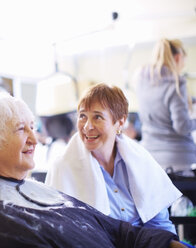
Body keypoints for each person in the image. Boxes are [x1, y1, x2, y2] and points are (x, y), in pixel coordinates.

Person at [0, 92, 185, 248]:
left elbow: (116, 230)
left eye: (33, 127)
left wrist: (169, 244)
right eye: (20, 129)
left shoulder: (35, 189)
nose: (34, 140)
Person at [46, 83, 182, 234]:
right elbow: (62, 234)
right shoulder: (63, 167)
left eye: (97, 117)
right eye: (82, 116)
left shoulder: (141, 160)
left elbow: (160, 224)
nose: (87, 126)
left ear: (121, 121)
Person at [134, 38, 195, 173]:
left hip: (150, 156)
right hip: (179, 159)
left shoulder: (141, 79)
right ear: (178, 58)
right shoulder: (176, 83)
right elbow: (182, 126)